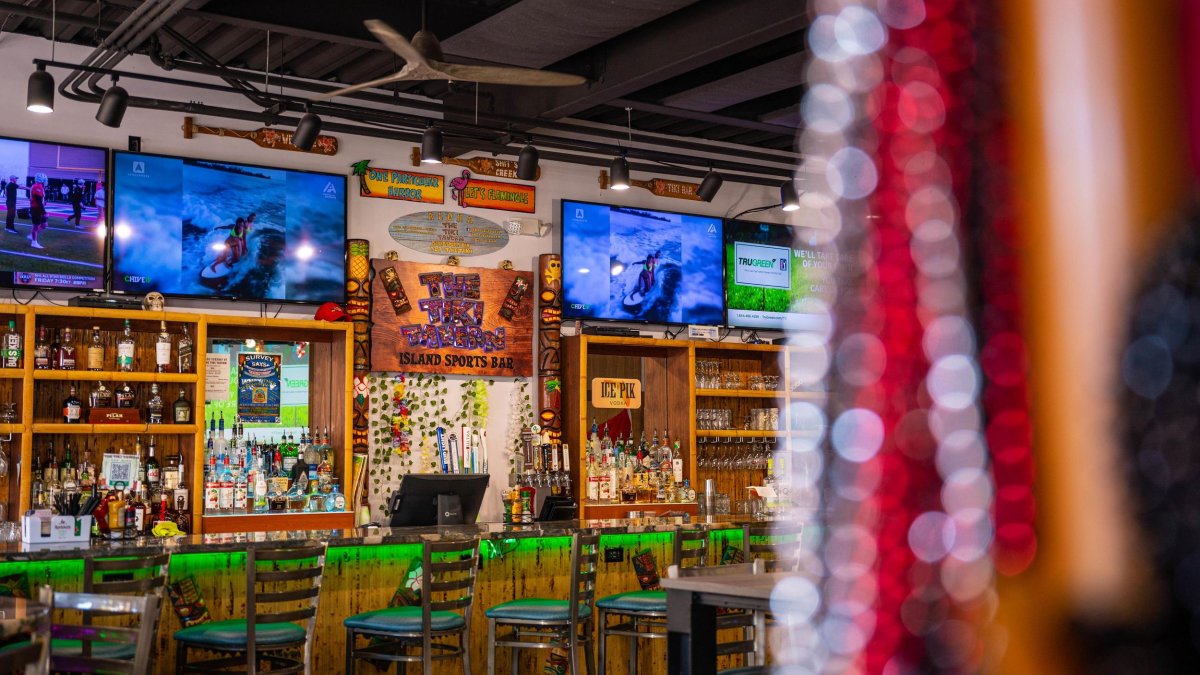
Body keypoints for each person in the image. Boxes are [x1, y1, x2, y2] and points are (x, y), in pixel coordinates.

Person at [28, 174, 47, 249]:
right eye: (45, 179)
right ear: (41, 179)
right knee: (36, 226)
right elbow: (38, 201)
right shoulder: (37, 186)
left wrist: (43, 201)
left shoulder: (39, 186)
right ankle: (34, 242)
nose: (46, 181)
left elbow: (40, 200)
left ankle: (31, 236)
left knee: (44, 225)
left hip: (38, 207)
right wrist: (44, 212)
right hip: (36, 208)